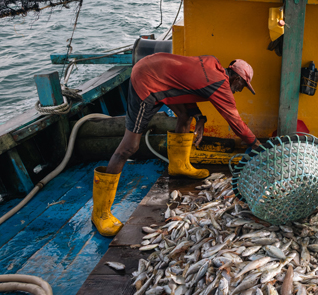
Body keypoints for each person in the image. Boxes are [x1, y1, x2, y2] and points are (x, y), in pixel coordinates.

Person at [91, 53, 261, 236]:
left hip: (158, 70)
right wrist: (257, 144)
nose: (240, 90)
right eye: (242, 85)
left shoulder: (213, 67)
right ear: (235, 78)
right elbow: (235, 122)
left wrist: (199, 117)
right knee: (129, 147)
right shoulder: (220, 84)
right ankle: (100, 213)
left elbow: (185, 85)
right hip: (146, 79)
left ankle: (179, 166)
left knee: (185, 116)